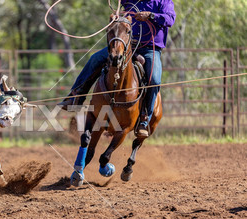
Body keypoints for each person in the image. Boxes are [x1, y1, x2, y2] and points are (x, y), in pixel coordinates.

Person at [59, 0, 176, 137]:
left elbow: (170, 19)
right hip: (126, 45)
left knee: (154, 79)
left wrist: (150, 15)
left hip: (150, 49)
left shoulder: (164, 1)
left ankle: (144, 118)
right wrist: (116, 17)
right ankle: (76, 96)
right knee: (95, 59)